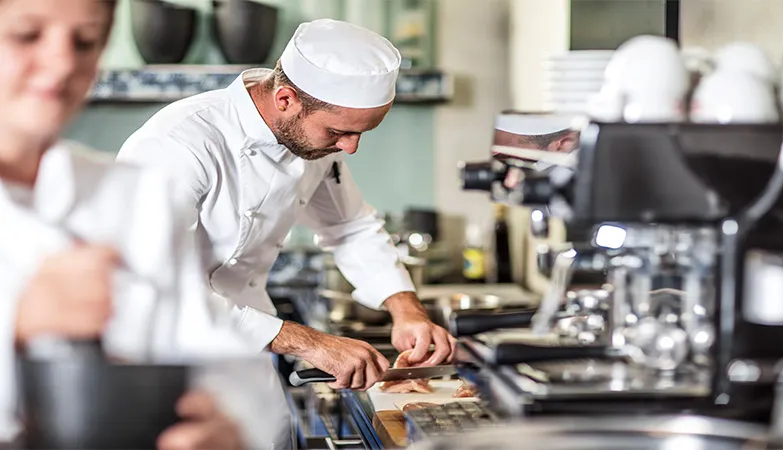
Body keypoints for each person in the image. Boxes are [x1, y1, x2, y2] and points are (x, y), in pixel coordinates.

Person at [0, 1, 291, 448]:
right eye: (25, 35)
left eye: (85, 41)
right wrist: (17, 325)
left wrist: (230, 425)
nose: (63, 63)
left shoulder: (132, 195)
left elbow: (229, 366)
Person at [117, 19, 455, 391]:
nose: (351, 147)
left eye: (360, 132)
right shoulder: (176, 145)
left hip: (248, 350)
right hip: (167, 366)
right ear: (285, 100)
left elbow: (349, 227)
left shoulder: (313, 139)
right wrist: (311, 343)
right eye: (339, 132)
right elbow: (153, 286)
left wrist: (406, 309)